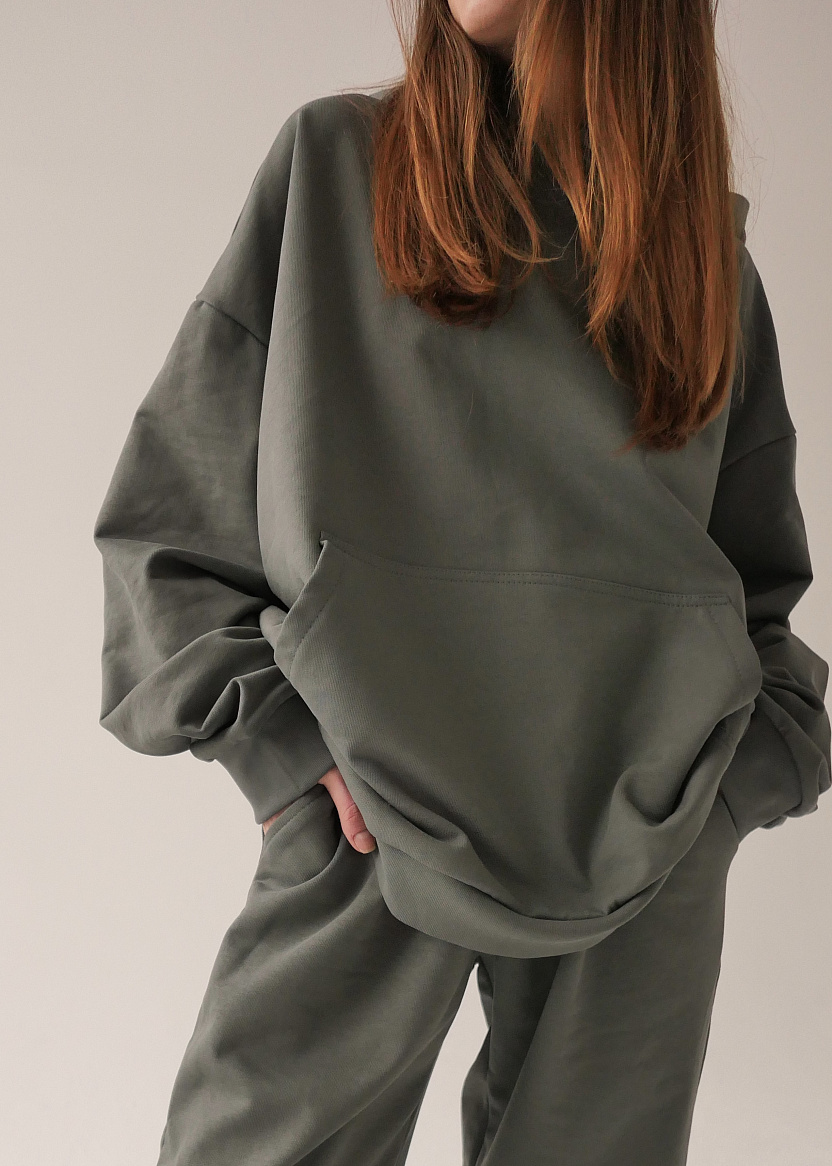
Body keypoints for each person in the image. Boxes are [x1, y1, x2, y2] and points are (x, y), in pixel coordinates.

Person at [93, 1, 831, 1163]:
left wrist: (721, 802)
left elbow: (757, 598)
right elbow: (165, 520)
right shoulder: (336, 168)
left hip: (643, 845)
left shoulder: (698, 262)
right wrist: (286, 754)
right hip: (370, 825)